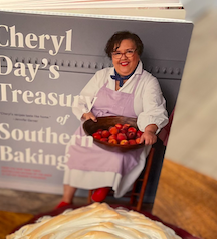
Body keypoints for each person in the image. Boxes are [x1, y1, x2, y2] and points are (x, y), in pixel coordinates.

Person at [58, 31, 168, 207]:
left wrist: (149, 129)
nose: (123, 57)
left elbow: (155, 109)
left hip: (128, 132)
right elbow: (82, 100)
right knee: (75, 145)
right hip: (97, 127)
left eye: (129, 51)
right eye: (117, 53)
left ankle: (103, 185)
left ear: (138, 53)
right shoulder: (102, 76)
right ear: (111, 56)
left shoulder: (148, 82)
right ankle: (65, 200)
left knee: (117, 154)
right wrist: (86, 113)